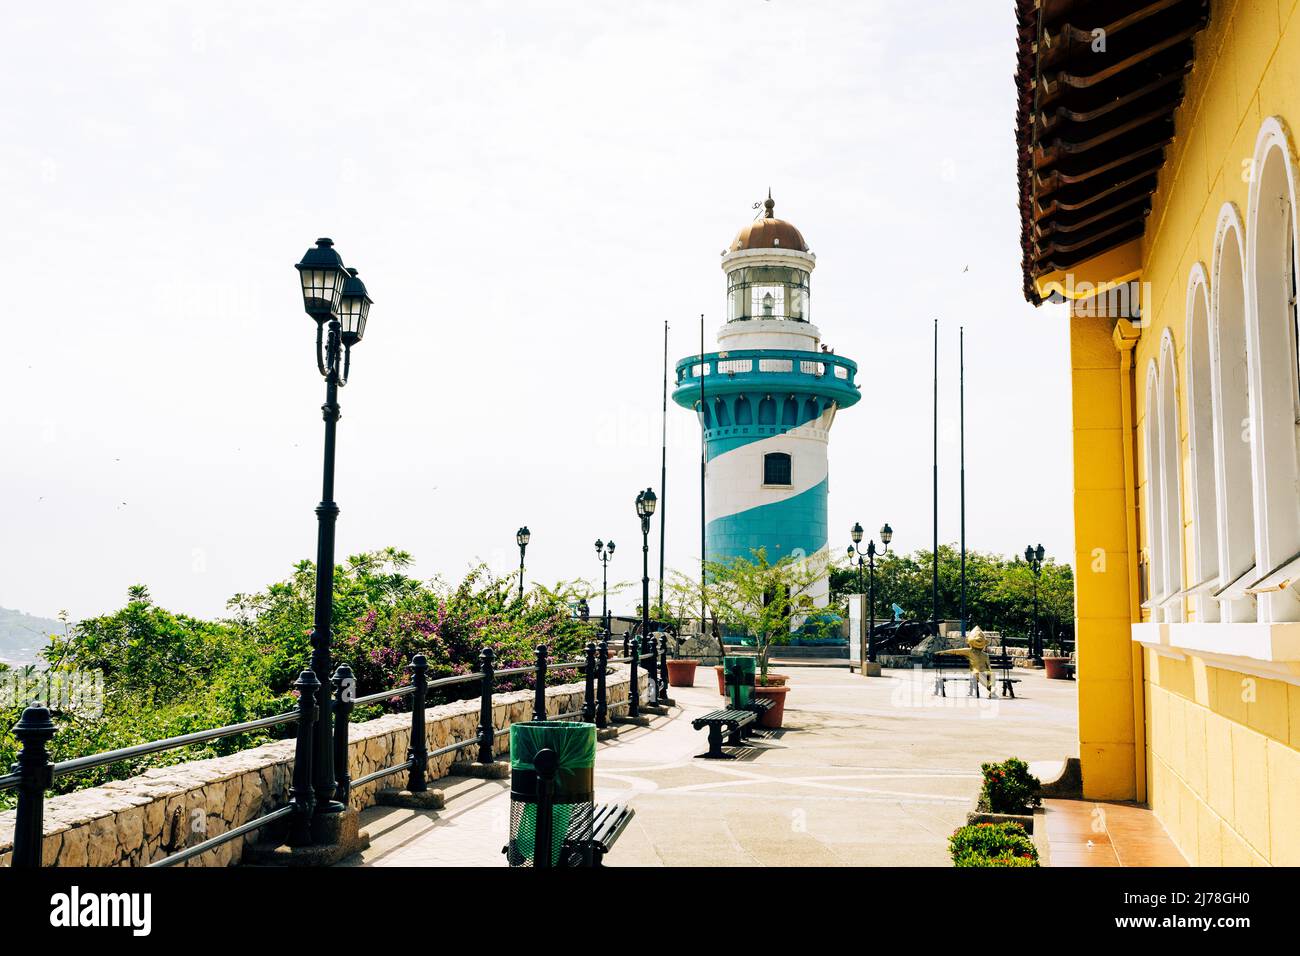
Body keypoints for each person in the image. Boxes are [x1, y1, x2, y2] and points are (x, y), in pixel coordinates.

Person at [935, 627, 996, 695]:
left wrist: (990, 672)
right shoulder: (969, 651)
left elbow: (989, 666)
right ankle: (991, 688)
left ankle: (991, 689)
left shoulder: (985, 655)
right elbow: (955, 651)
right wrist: (943, 652)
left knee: (991, 674)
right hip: (976, 671)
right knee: (978, 674)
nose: (979, 639)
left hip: (984, 671)